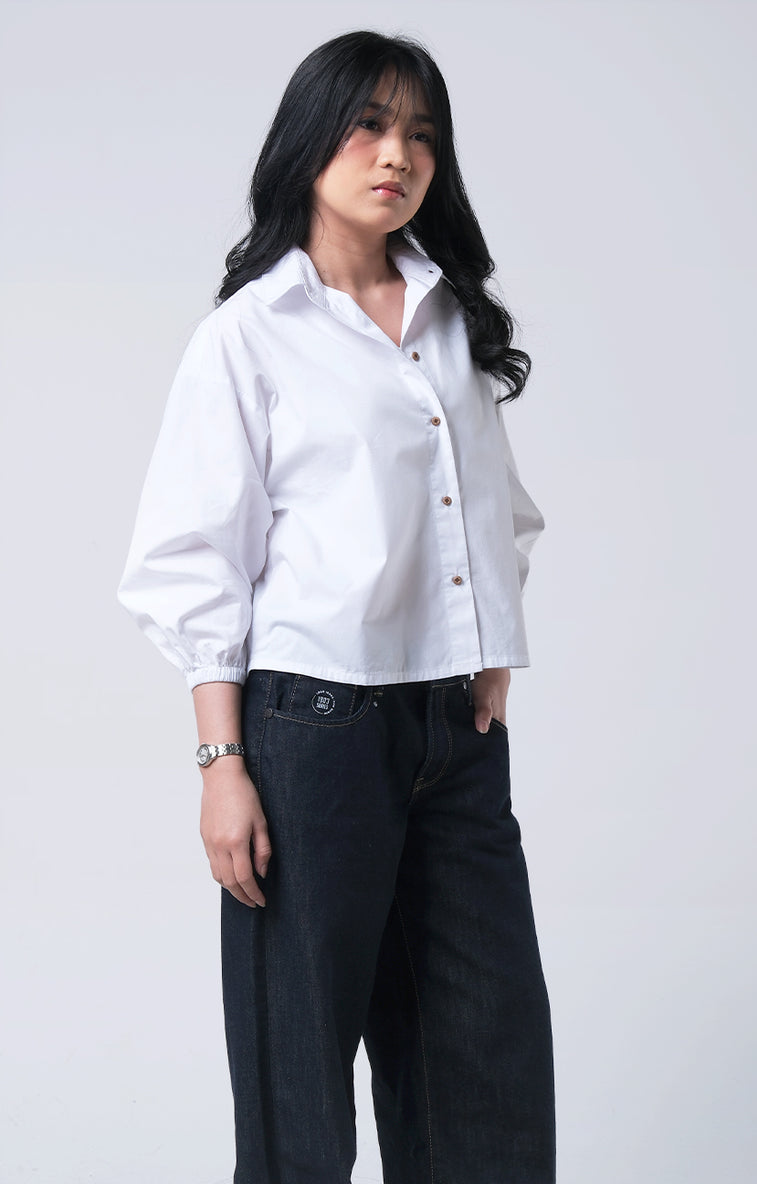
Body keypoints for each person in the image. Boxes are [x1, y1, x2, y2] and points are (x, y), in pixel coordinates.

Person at [119, 29, 555, 1184]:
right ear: (309, 140)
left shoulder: (450, 320)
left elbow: (493, 506)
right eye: (367, 125)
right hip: (310, 733)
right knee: (298, 1090)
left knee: (487, 1075)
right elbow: (194, 559)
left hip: (454, 736)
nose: (394, 154)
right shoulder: (249, 335)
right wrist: (221, 761)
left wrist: (486, 648)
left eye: (418, 133)